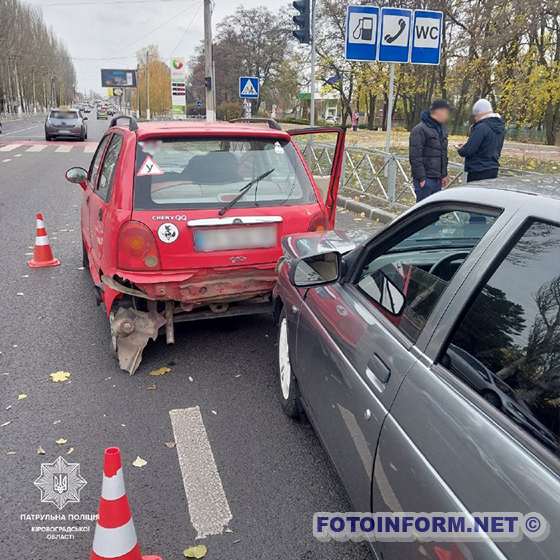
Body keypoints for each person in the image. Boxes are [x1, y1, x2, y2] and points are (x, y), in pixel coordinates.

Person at [409, 99, 450, 202]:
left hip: (438, 179)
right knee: (422, 213)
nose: (447, 115)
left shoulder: (441, 130)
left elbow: (443, 154)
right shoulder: (419, 129)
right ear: (438, 111)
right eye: (446, 112)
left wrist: (444, 174)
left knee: (433, 212)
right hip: (426, 179)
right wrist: (422, 178)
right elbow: (415, 156)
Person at [457, 99, 505, 183]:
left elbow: (468, 150)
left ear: (480, 113)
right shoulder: (500, 127)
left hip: (478, 170)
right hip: (493, 169)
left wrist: (461, 149)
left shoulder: (481, 127)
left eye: (475, 116)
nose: (475, 119)